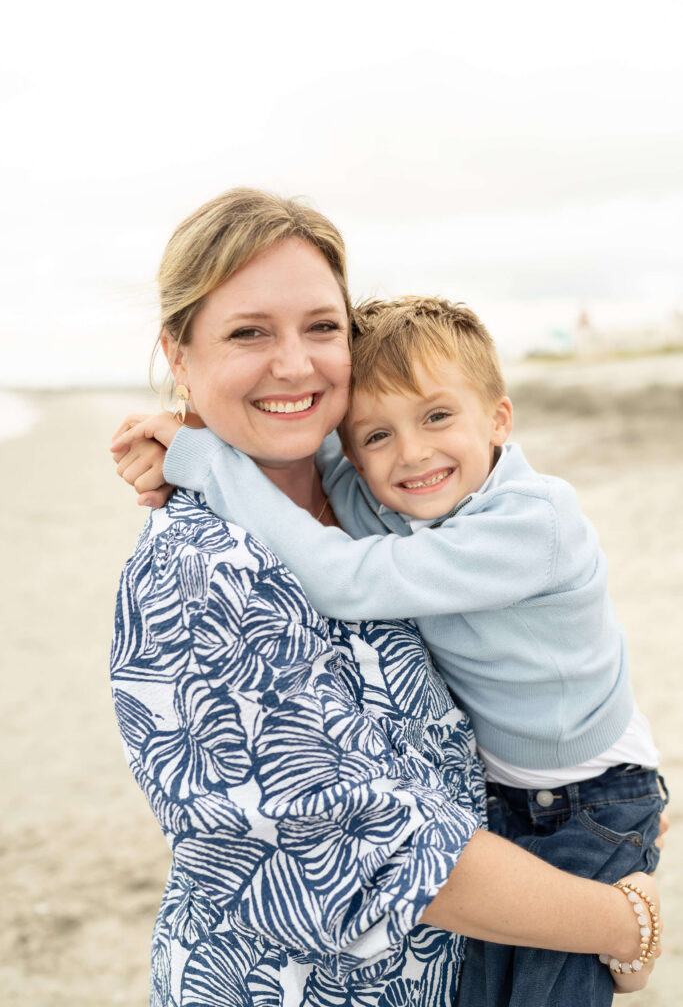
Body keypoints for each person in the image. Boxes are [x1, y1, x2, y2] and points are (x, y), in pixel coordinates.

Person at [111, 188, 662, 1007]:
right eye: (248, 332)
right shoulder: (198, 572)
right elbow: (362, 850)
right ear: (178, 354)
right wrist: (621, 925)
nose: (294, 364)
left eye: (320, 327)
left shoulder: (375, 503)